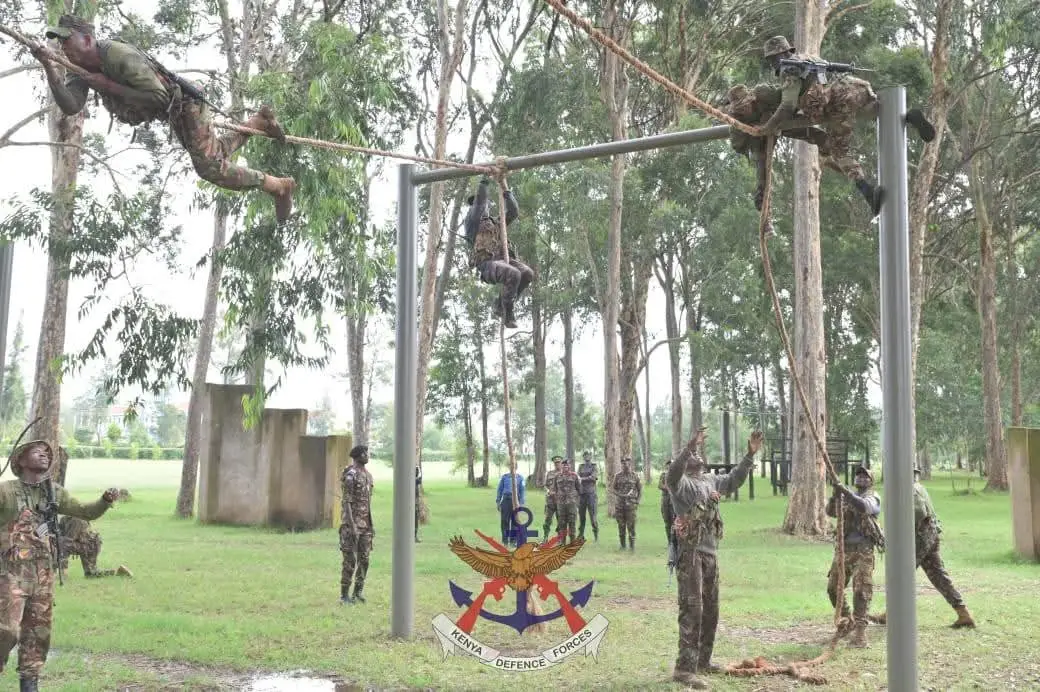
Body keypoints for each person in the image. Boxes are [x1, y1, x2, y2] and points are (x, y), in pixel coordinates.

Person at [36, 15, 296, 222]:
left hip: (186, 103)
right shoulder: (79, 70)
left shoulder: (117, 55)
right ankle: (258, 123)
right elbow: (71, 106)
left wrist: (107, 85)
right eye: (60, 42)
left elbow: (159, 97)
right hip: (172, 110)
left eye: (66, 40)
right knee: (213, 152)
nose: (63, 47)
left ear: (87, 39)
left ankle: (278, 186)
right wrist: (49, 66)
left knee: (209, 167)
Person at [758, 35, 937, 216]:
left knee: (838, 150)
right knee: (879, 111)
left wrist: (768, 127)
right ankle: (909, 116)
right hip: (855, 88)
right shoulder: (808, 57)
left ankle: (868, 192)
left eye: (772, 59)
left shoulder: (789, 70)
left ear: (782, 54)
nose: (772, 64)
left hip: (838, 103)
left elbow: (787, 106)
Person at [0, 440, 119, 692]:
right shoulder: (6, 492)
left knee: (38, 634)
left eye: (47, 453)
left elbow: (85, 511)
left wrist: (104, 501)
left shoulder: (53, 492)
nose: (44, 455)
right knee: (7, 630)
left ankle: (29, 684)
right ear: (21, 460)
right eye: (37, 452)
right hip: (10, 574)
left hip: (43, 576)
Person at [667, 427, 762, 688]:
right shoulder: (681, 484)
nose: (697, 455)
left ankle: (703, 661)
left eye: (697, 452)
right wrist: (687, 448)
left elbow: (733, 480)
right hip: (690, 554)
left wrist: (749, 456)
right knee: (692, 609)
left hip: (710, 553)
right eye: (692, 454)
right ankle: (684, 669)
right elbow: (672, 474)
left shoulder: (709, 480)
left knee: (711, 609)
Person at [873, 466, 975, 629]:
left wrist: (900, 526)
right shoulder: (920, 487)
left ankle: (891, 614)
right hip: (930, 536)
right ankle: (963, 613)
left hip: (919, 538)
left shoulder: (911, 489)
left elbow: (919, 512)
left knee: (901, 575)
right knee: (938, 575)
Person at [464, 177, 534, 328]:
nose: (483, 205)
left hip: (503, 260)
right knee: (513, 273)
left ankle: (500, 302)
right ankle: (508, 312)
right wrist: (484, 181)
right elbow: (480, 202)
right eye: (478, 203)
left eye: (486, 204)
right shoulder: (472, 222)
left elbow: (513, 213)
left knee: (527, 273)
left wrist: (508, 194)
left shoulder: (496, 223)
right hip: (487, 263)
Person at [826, 465, 885, 648]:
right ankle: (847, 620)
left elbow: (864, 507)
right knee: (833, 588)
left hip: (863, 550)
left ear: (871, 481)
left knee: (861, 590)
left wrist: (846, 493)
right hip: (844, 550)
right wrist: (835, 495)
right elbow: (830, 512)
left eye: (865, 476)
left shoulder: (873, 497)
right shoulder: (846, 496)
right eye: (858, 475)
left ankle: (860, 633)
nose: (861, 478)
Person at [340, 445, 374, 605]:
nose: (367, 455)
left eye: (367, 453)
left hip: (366, 525)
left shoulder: (368, 476)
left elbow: (367, 503)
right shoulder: (351, 475)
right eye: (364, 453)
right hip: (351, 525)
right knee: (349, 561)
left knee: (365, 560)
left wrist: (371, 524)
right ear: (357, 456)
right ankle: (344, 595)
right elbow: (346, 501)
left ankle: (357, 592)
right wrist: (352, 525)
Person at [58, 516, 132, 578]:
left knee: (63, 544)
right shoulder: (65, 519)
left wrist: (63, 568)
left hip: (90, 546)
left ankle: (63, 574)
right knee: (91, 574)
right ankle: (117, 572)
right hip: (84, 543)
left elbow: (67, 542)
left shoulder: (77, 520)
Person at [611, 457, 642, 551]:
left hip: (631, 505)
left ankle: (632, 546)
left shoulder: (635, 476)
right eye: (623, 463)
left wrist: (637, 501)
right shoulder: (617, 476)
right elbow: (613, 489)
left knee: (631, 526)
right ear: (621, 465)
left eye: (627, 463)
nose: (625, 465)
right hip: (620, 505)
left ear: (630, 464)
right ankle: (622, 545)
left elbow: (640, 489)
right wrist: (620, 495)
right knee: (621, 525)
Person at [495, 467, 526, 546]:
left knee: (514, 522)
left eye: (514, 466)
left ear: (516, 467)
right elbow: (500, 489)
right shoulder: (505, 477)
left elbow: (522, 491)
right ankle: (505, 541)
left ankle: (513, 541)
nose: (512, 468)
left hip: (515, 501)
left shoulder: (520, 478)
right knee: (504, 521)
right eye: (511, 466)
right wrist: (498, 501)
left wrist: (521, 503)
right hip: (506, 500)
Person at [553, 460, 581, 545]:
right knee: (562, 523)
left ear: (569, 466)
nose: (565, 467)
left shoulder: (574, 475)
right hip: (561, 504)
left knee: (572, 522)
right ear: (561, 466)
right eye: (564, 465)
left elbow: (579, 489)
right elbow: (554, 489)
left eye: (567, 465)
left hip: (571, 503)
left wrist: (576, 502)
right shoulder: (557, 476)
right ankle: (562, 543)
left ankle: (572, 542)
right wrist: (557, 500)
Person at [576, 451, 599, 542]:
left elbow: (593, 477)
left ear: (591, 456)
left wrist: (582, 479)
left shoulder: (594, 466)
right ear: (583, 457)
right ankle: (581, 535)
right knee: (582, 516)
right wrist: (581, 479)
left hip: (591, 494)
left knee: (593, 517)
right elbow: (577, 477)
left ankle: (596, 534)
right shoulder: (581, 466)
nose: (587, 457)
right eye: (585, 455)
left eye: (588, 455)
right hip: (582, 494)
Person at [542, 456, 562, 540]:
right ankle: (545, 537)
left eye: (558, 463)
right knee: (547, 519)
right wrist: (548, 491)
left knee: (560, 520)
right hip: (550, 501)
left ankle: (560, 538)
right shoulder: (549, 473)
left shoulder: (564, 474)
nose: (557, 464)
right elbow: (545, 485)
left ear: (561, 463)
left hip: (560, 501)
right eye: (555, 463)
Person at [659, 459, 675, 543]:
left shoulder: (678, 475)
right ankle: (669, 541)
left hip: (674, 501)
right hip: (665, 501)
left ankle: (675, 542)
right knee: (667, 522)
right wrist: (667, 488)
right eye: (668, 465)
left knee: (674, 522)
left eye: (671, 465)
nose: (670, 466)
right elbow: (660, 485)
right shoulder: (663, 475)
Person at [414, 465, 423, 543]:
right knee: (414, 519)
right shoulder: (415, 480)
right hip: (413, 502)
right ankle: (414, 536)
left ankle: (414, 536)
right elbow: (419, 479)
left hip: (415, 501)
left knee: (415, 519)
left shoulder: (411, 480)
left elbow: (419, 479)